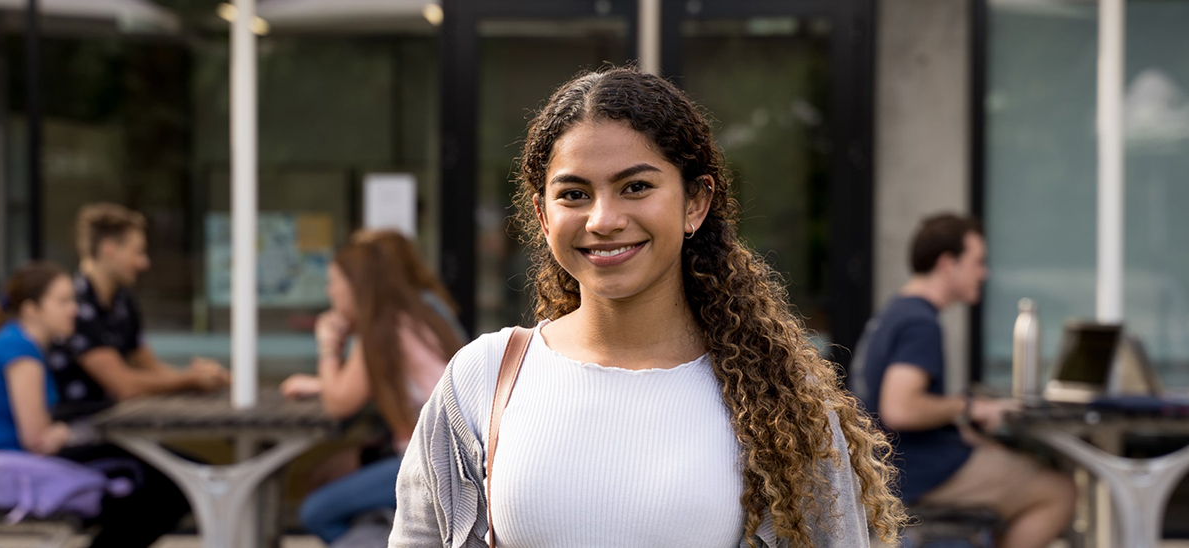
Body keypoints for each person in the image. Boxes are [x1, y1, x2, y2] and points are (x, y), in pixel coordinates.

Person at [389, 67, 907, 548]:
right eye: (574, 193)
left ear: (695, 203)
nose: (603, 219)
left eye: (636, 187)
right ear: (543, 217)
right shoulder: (484, 377)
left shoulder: (779, 396)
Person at [853, 214, 1075, 548]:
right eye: (978, 262)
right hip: (916, 471)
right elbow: (901, 409)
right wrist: (970, 406)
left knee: (1010, 461)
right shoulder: (920, 322)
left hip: (889, 465)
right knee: (1059, 491)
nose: (984, 273)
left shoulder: (893, 313)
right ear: (948, 263)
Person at [0, 261, 189, 548]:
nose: (74, 310)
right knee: (165, 485)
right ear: (32, 309)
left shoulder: (15, 344)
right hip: (12, 473)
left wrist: (66, 432)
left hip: (8, 469)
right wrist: (73, 433)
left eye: (74, 300)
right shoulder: (20, 352)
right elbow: (37, 439)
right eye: (63, 301)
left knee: (156, 483)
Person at [281, 232, 466, 544]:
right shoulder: (414, 314)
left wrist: (328, 347)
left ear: (356, 288)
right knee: (326, 475)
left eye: (334, 284)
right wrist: (319, 384)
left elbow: (339, 403)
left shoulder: (383, 330)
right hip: (441, 453)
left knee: (316, 511)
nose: (330, 293)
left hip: (436, 463)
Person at [47, 203, 229, 410]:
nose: (144, 263)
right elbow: (124, 386)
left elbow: (148, 365)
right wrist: (189, 380)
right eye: (138, 252)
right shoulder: (75, 305)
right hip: (81, 431)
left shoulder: (122, 300)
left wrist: (202, 377)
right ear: (110, 250)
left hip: (121, 424)